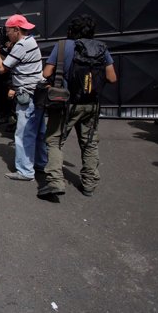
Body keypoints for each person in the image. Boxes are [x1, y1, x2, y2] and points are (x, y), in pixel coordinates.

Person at [40, 15, 117, 197]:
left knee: (55, 141)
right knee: (89, 143)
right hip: (91, 104)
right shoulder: (101, 48)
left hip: (65, 104)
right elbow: (112, 78)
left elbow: (46, 72)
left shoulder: (62, 46)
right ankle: (89, 183)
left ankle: (55, 181)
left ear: (71, 30)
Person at [0, 14, 47, 181]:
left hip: (27, 94)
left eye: (8, 31)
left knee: (23, 134)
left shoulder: (21, 45)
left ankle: (25, 171)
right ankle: (41, 163)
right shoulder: (31, 41)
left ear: (16, 30)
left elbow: (2, 68)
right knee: (39, 132)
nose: (7, 34)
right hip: (38, 93)